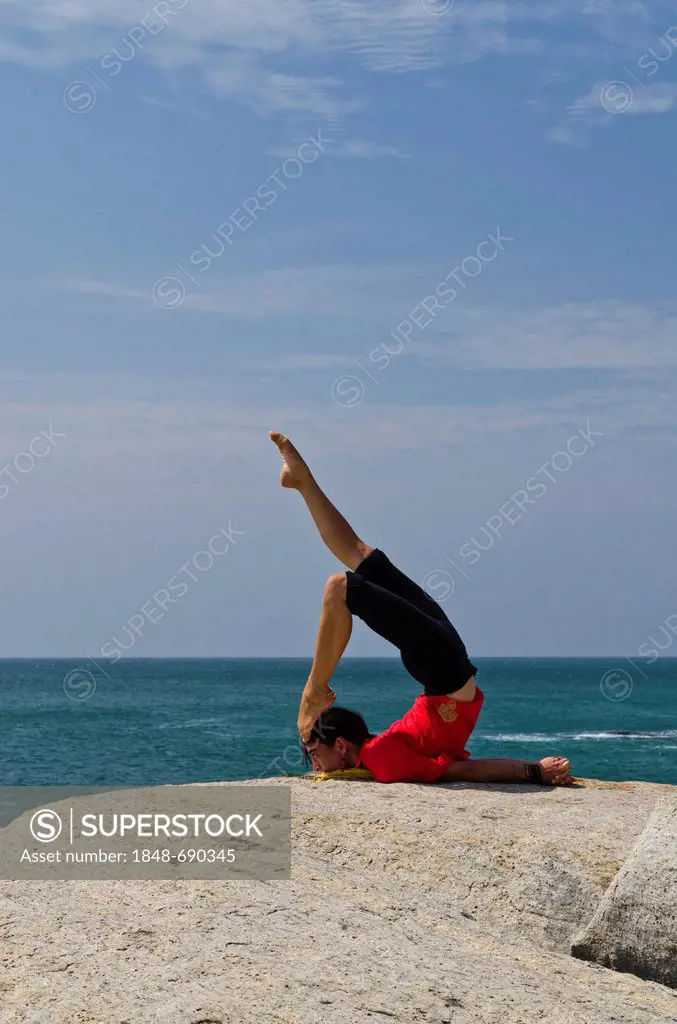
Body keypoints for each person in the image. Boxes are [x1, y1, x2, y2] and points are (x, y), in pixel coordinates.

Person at [270, 432, 572, 786]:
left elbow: (461, 767)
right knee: (345, 578)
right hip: (444, 669)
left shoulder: (381, 758)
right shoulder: (382, 759)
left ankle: (304, 483)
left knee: (357, 563)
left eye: (315, 755)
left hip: (445, 669)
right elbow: (462, 770)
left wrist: (535, 772)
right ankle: (315, 690)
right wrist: (534, 771)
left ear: (340, 745)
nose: (315, 766)